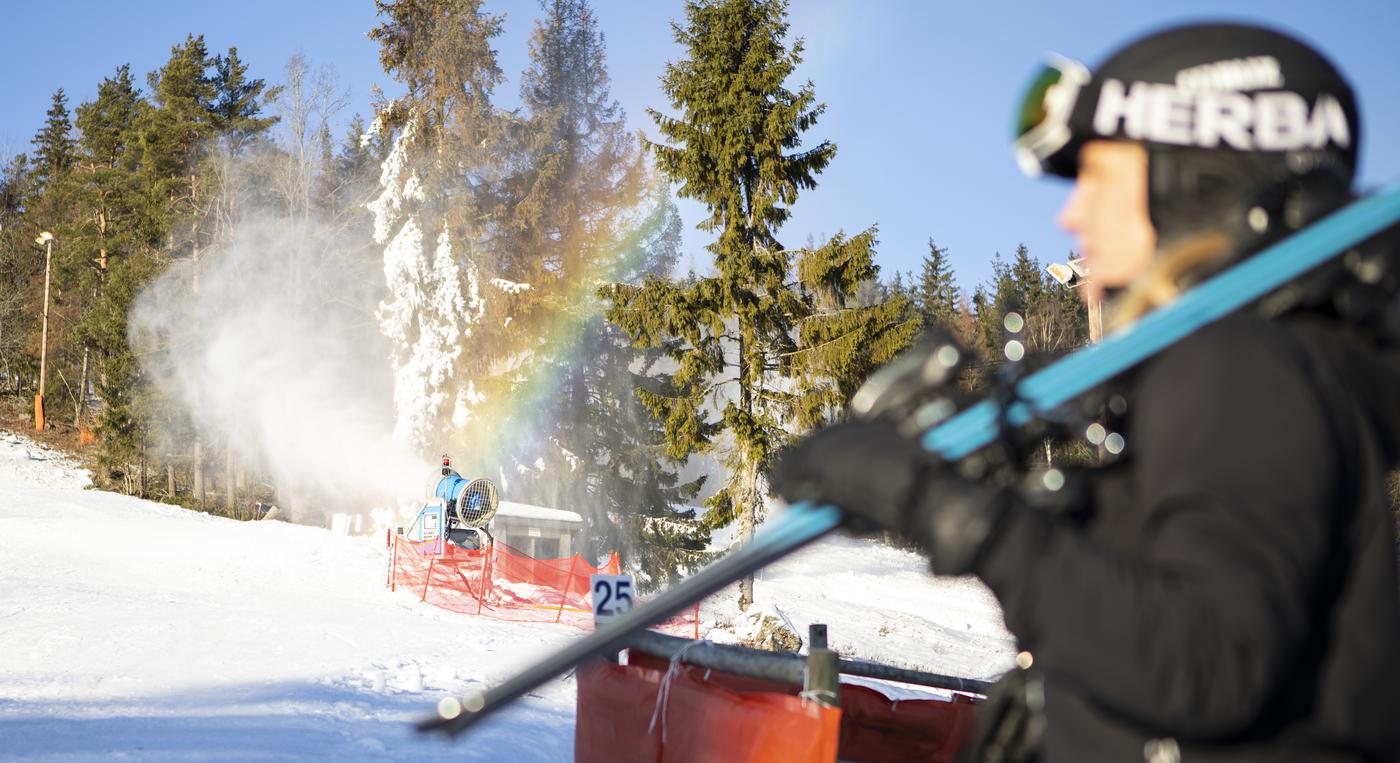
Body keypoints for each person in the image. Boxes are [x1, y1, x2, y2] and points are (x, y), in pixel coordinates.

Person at [772, 22, 1400, 762]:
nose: (1072, 215)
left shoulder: (1240, 368)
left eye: (1100, 178)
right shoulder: (1259, 368)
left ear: (1191, 181)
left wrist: (948, 509)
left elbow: (1206, 661)